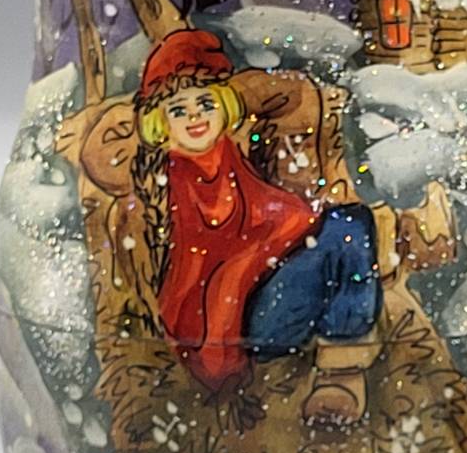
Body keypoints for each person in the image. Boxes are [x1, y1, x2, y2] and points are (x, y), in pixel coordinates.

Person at [134, 29, 380, 424]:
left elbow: (271, 214)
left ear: (223, 106)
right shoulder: (178, 180)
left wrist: (299, 225)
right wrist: (283, 238)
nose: (195, 117)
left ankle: (341, 369)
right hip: (236, 324)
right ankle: (343, 371)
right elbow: (212, 256)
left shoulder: (227, 157)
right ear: (160, 123)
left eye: (205, 103)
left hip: (258, 298)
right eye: (179, 110)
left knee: (346, 224)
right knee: (348, 228)